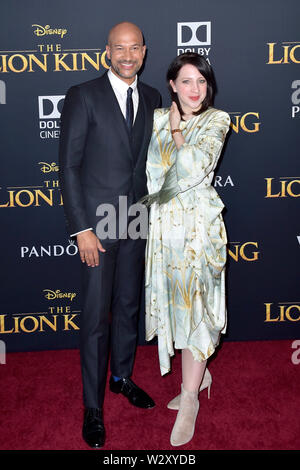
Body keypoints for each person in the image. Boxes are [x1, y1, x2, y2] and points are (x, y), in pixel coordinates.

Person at [59, 22, 161, 448]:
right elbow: (69, 166)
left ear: (143, 52)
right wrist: (81, 228)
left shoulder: (154, 97)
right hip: (97, 225)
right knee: (95, 318)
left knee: (127, 307)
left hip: (136, 220)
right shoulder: (83, 95)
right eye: (118, 48)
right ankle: (93, 406)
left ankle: (121, 377)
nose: (126, 55)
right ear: (106, 52)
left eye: (133, 47)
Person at [142, 52, 230, 446]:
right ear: (172, 86)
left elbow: (194, 169)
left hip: (198, 232)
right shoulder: (157, 119)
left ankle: (191, 396)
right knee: (177, 309)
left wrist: (179, 132)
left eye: (202, 81)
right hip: (165, 232)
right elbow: (152, 176)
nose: (196, 90)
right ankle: (199, 373)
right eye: (187, 82)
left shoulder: (217, 120)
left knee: (197, 310)